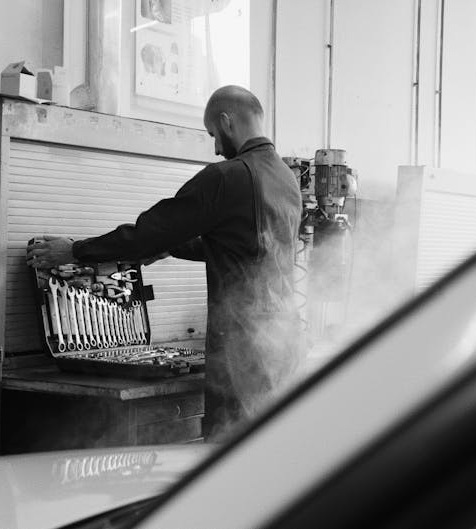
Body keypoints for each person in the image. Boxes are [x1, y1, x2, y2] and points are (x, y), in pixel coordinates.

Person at [26, 85, 302, 440]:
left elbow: (149, 232)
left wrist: (75, 251)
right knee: (268, 451)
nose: (216, 148)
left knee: (227, 454)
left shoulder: (227, 177)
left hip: (242, 348)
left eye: (213, 135)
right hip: (281, 342)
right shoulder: (286, 179)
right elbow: (242, 246)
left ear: (226, 121)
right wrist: (173, 247)